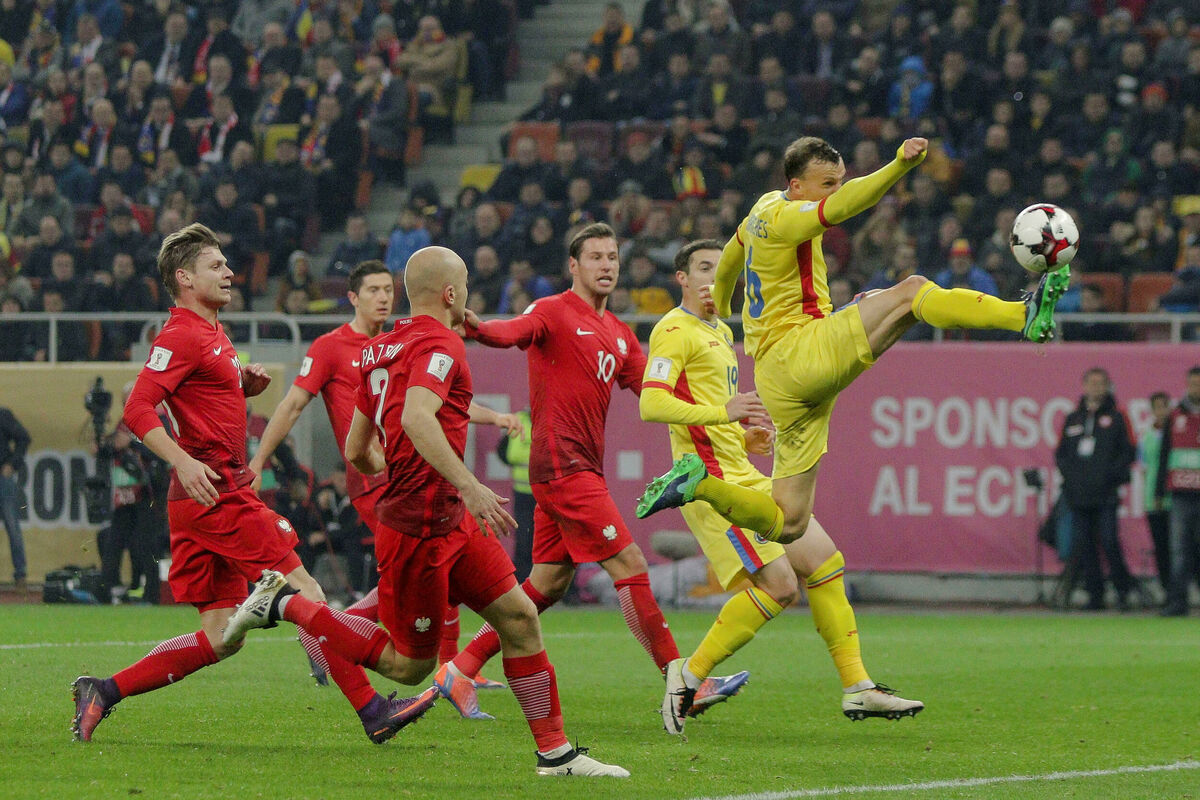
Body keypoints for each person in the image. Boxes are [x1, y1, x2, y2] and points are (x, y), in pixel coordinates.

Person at [230, 246, 628, 777]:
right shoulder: (443, 342)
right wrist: (468, 485)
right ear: (451, 293)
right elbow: (417, 418)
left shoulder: (380, 347)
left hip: (450, 521)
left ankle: (555, 754)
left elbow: (356, 449)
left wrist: (392, 465)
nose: (467, 295)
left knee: (519, 616)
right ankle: (286, 603)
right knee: (409, 666)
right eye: (464, 286)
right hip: (418, 525)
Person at [70, 224, 436, 745]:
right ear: (184, 277)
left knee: (222, 636)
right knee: (308, 592)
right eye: (216, 266)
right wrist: (183, 460)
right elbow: (137, 407)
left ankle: (102, 691)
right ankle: (373, 709)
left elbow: (198, 398)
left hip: (197, 499)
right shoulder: (181, 333)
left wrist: (243, 386)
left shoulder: (212, 331)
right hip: (216, 491)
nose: (229, 272)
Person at [638, 136, 1070, 560]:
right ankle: (1022, 316)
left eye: (839, 180)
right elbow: (844, 207)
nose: (835, 190)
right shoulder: (788, 216)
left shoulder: (759, 212)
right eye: (827, 183)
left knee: (790, 522)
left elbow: (732, 256)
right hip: (800, 352)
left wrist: (723, 305)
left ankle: (699, 485)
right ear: (796, 187)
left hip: (777, 377)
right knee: (911, 291)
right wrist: (899, 165)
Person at [436, 223, 746, 721]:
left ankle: (460, 668)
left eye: (612, 257)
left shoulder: (620, 335)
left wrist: (725, 417)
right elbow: (509, 332)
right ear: (574, 266)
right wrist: (475, 326)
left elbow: (657, 393)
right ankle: (681, 678)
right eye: (596, 257)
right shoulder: (552, 311)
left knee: (547, 583)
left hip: (580, 468)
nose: (606, 265)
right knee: (631, 565)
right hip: (563, 465)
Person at [641, 240, 924, 732]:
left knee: (825, 562)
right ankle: (688, 676)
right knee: (779, 587)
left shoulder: (719, 331)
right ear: (681, 278)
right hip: (710, 485)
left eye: (721, 270)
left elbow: (709, 415)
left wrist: (743, 435)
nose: (713, 279)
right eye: (703, 269)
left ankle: (858, 688)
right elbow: (651, 404)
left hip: (743, 473)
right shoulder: (672, 329)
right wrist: (724, 412)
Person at [249, 259, 516, 695]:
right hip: (383, 481)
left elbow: (440, 401)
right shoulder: (332, 347)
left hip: (413, 474)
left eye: (387, 290)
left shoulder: (396, 343)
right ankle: (328, 630)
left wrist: (494, 417)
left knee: (438, 566)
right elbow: (293, 405)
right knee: (423, 571)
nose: (383, 298)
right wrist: (259, 460)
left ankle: (447, 668)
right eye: (372, 290)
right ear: (352, 297)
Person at [1054, 368, 1137, 611]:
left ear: (1108, 386)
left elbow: (1129, 451)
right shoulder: (1073, 418)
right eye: (1092, 383)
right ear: (1084, 386)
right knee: (1085, 545)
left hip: (1106, 493)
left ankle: (1123, 590)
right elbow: (1061, 454)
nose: (1096, 387)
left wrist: (1110, 477)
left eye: (1101, 383)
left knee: (1110, 541)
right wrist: (1072, 479)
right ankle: (1095, 594)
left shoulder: (1118, 416)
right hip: (1078, 495)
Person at [1157, 367, 1200, 617]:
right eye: (1193, 383)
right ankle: (1177, 602)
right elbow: (1164, 454)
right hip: (1181, 494)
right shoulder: (1175, 416)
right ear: (1187, 385)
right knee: (1179, 550)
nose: (1196, 388)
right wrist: (1159, 490)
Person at [1139, 391, 1173, 597]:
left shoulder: (1178, 433)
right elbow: (1144, 469)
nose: (1161, 411)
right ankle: (1168, 591)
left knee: (1180, 548)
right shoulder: (1146, 437)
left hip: (1175, 498)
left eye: (1164, 406)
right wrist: (1152, 496)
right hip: (1154, 499)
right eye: (1157, 407)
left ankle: (1181, 589)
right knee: (1161, 547)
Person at [495, 408, 534, 582]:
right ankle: (522, 582)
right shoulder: (519, 420)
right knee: (524, 539)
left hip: (548, 493)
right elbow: (503, 451)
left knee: (549, 540)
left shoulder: (552, 418)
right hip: (523, 493)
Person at [0, 405, 29, 591]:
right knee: (13, 527)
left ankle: (20, 575)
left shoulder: (2, 415)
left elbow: (24, 438)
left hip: (2, 479)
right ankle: (20, 575)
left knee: (12, 527)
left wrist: (12, 464)